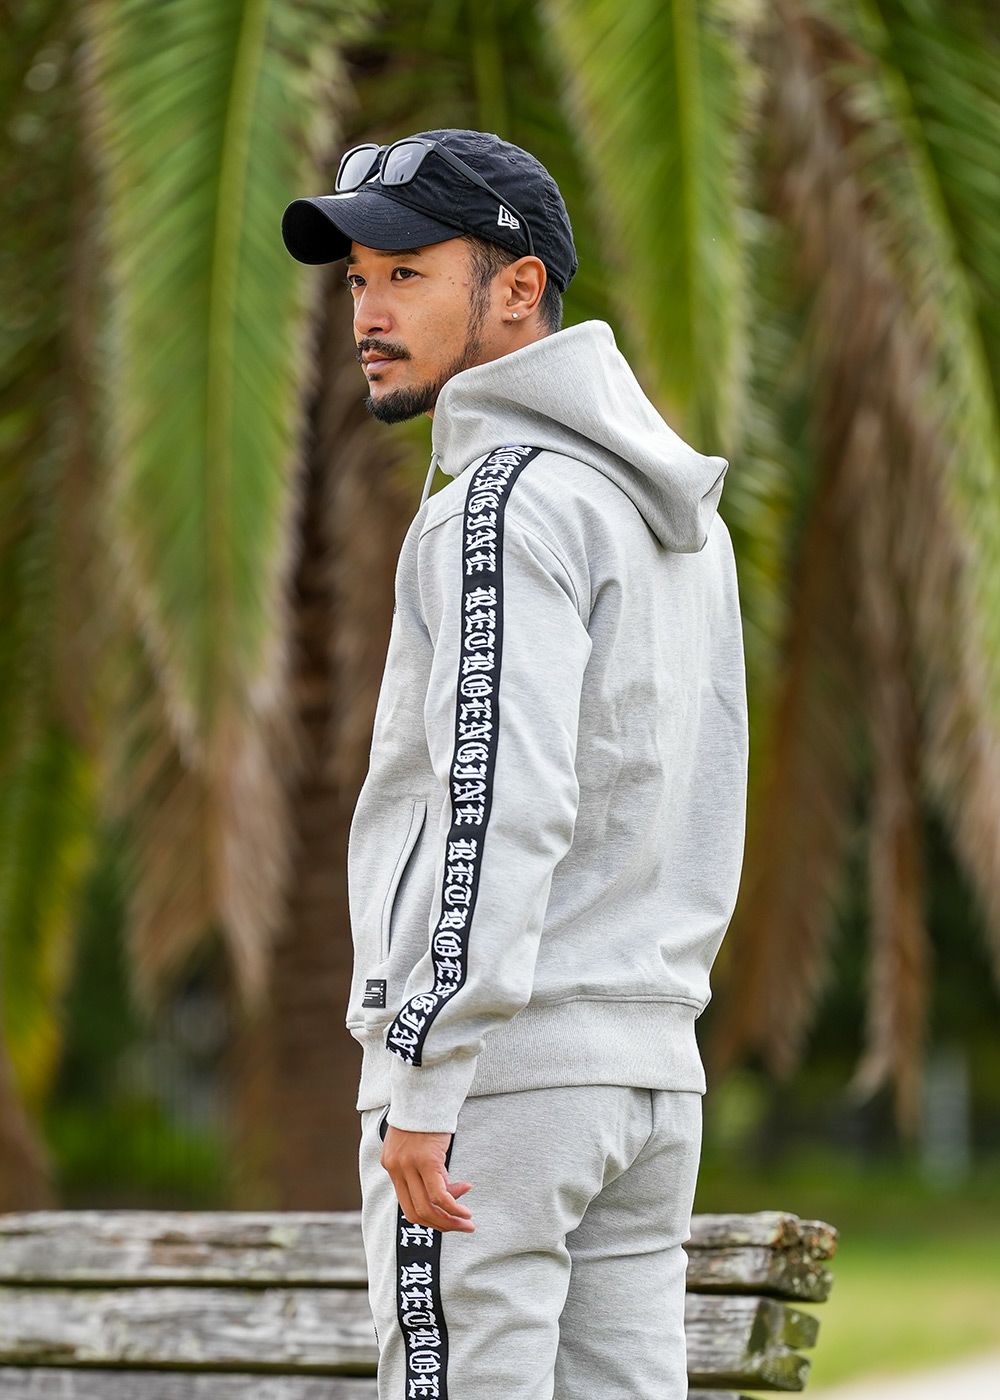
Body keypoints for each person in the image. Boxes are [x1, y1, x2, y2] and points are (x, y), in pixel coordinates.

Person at [281, 128, 748, 1400]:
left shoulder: (502, 503)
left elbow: (496, 801)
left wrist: (428, 1064)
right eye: (357, 280)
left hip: (501, 1082)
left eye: (406, 273)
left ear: (517, 285)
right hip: (645, 1074)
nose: (367, 315)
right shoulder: (675, 514)